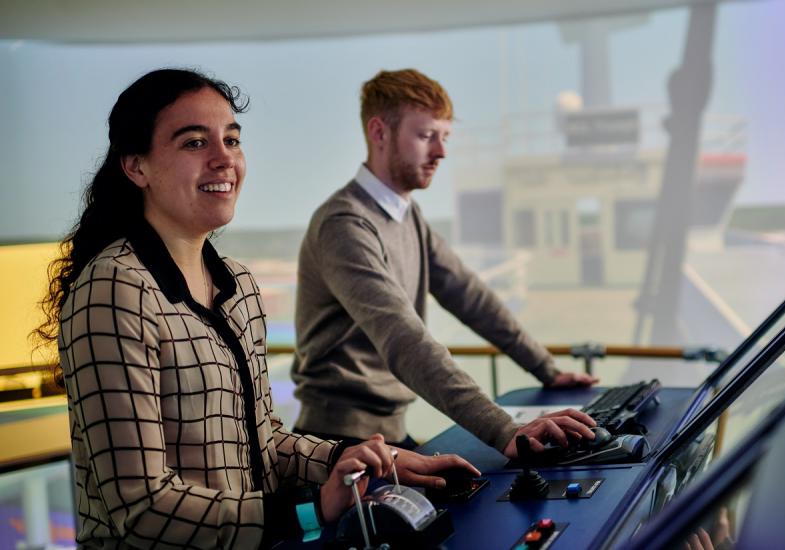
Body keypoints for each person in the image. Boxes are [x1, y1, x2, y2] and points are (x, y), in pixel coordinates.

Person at [35, 68, 475, 549]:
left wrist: (377, 459)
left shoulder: (238, 285)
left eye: (232, 140)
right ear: (136, 167)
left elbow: (266, 445)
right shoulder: (113, 290)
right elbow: (141, 508)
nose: (225, 160)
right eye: (194, 143)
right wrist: (310, 507)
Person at [292, 68, 599, 459]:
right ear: (379, 132)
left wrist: (547, 370)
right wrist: (504, 430)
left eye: (445, 137)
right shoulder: (345, 224)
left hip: (386, 437)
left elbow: (470, 297)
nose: (441, 152)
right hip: (338, 445)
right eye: (425, 136)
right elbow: (403, 338)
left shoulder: (409, 216)